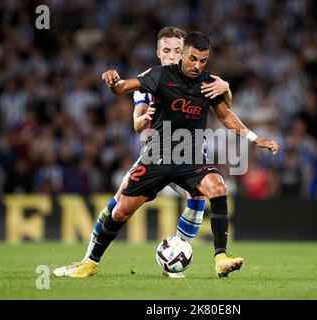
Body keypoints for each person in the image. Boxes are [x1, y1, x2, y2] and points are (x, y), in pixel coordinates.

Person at [70, 31, 278, 279]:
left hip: (189, 157)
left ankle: (221, 257)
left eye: (203, 61)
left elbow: (226, 117)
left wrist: (256, 139)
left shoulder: (208, 83)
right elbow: (123, 87)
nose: (197, 65)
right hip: (157, 155)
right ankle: (90, 263)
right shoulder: (158, 76)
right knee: (121, 211)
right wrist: (113, 82)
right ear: (183, 55)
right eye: (193, 59)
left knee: (218, 188)